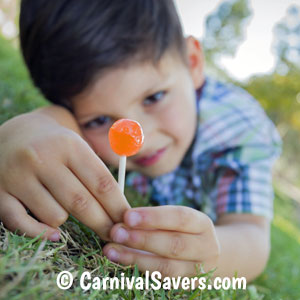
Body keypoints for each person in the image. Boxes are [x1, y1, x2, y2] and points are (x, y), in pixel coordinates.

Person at [0, 0, 281, 281]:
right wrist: (31, 128)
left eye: (154, 97)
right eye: (99, 120)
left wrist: (214, 255)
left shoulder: (240, 130)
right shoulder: (78, 114)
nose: (140, 140)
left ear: (192, 63)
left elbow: (251, 234)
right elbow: (59, 124)